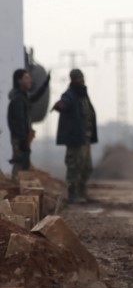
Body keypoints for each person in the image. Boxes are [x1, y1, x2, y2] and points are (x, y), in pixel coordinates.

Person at [54, 69, 98, 203]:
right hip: (75, 139)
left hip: (85, 139)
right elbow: (63, 103)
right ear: (73, 80)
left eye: (82, 78)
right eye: (79, 78)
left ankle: (82, 191)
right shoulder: (70, 95)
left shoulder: (83, 95)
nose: (82, 80)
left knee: (87, 167)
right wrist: (60, 105)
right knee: (74, 167)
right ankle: (72, 194)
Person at [7, 68, 51, 179]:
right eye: (26, 78)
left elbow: (34, 97)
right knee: (20, 164)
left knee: (24, 164)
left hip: (23, 137)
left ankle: (20, 189)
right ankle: (16, 189)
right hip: (20, 138)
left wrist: (45, 84)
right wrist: (22, 140)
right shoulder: (18, 99)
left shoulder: (23, 96)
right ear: (19, 81)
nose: (30, 80)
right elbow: (18, 121)